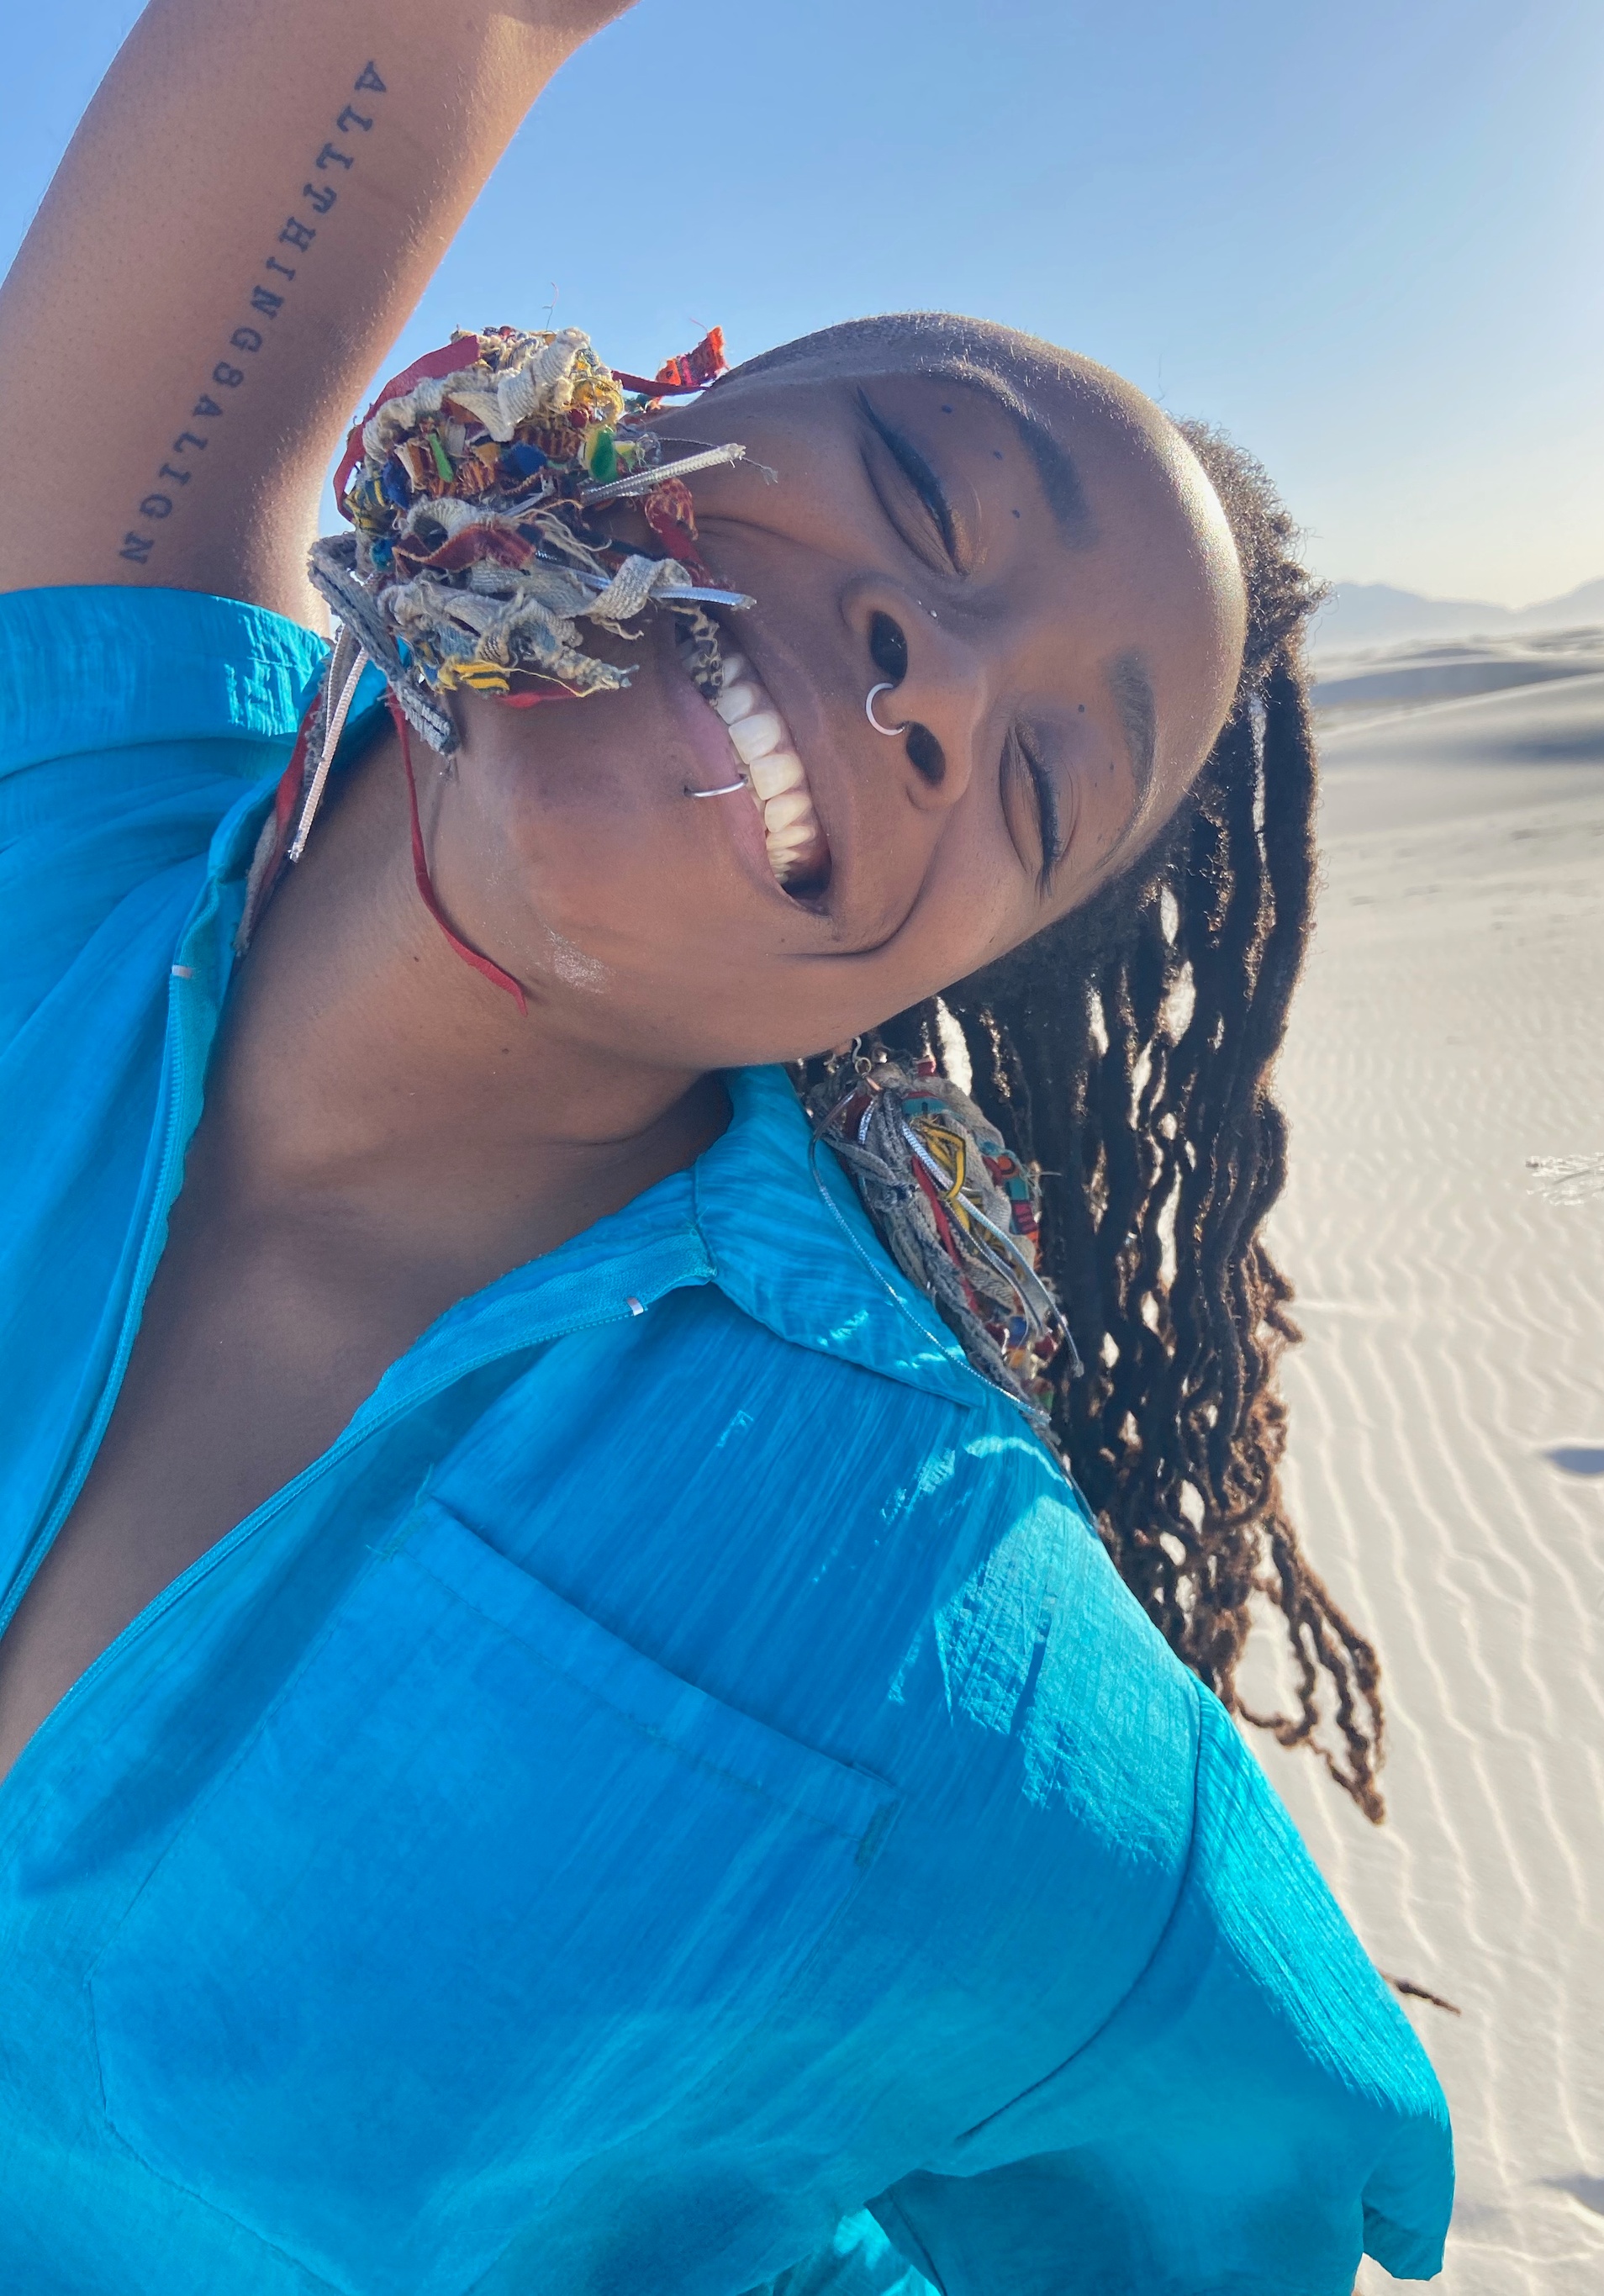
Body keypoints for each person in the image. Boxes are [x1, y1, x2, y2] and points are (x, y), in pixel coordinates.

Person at [0, 2, 1452, 2289]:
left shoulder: (933, 1639)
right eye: (925, 484)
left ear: (919, 971)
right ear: (661, 399)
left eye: (1037, 788)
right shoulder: (64, 781)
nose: (942, 681)